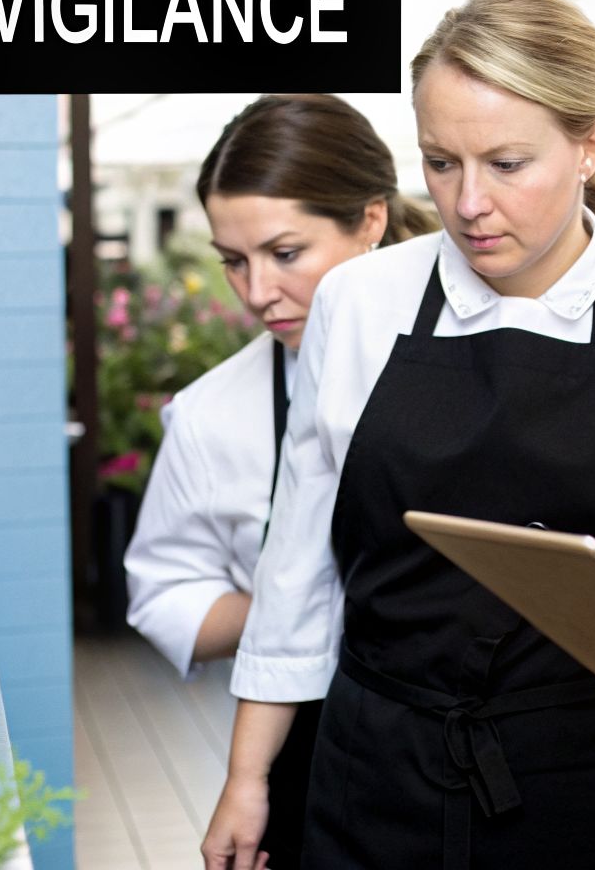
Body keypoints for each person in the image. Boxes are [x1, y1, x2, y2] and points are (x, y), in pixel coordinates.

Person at [202, 0, 595, 870]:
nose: (469, 202)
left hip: (589, 783)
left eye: (506, 163)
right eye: (441, 162)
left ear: (589, 145)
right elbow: (297, 566)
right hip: (375, 772)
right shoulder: (360, 303)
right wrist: (247, 778)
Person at [123, 93, 436, 868]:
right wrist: (298, 599)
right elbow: (164, 593)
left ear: (370, 220)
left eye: (285, 253)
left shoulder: (486, 355)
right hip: (312, 758)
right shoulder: (211, 415)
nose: (257, 291)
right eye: (233, 260)